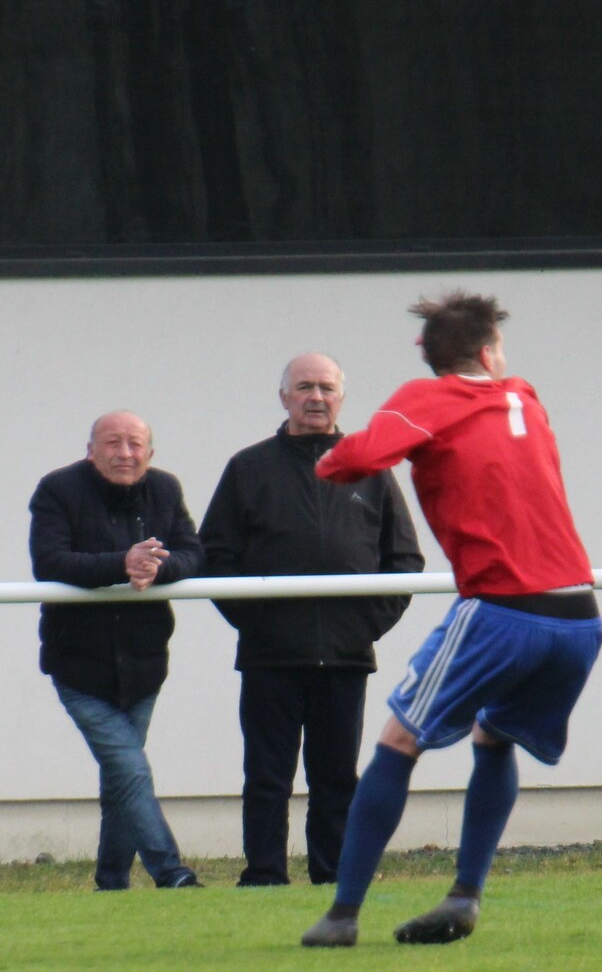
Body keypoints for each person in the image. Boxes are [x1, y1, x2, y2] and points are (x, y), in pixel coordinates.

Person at [300, 291, 602, 948]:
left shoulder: (427, 399)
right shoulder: (524, 394)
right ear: (490, 351)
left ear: (432, 356)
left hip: (503, 608)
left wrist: (337, 449)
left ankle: (342, 915)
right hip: (580, 616)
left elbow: (347, 462)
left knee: (398, 742)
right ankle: (465, 897)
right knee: (493, 737)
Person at [201, 352, 424, 887]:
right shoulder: (248, 468)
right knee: (267, 777)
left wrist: (363, 626)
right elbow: (217, 556)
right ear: (285, 397)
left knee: (335, 778)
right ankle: (264, 875)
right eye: (304, 387)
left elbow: (405, 561)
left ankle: (332, 875)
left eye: (326, 387)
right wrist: (257, 623)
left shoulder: (370, 468)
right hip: (270, 655)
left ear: (341, 398)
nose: (316, 397)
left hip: (345, 656)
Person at [29, 411, 204, 890]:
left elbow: (193, 552)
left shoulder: (165, 489)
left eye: (135, 444)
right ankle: (173, 874)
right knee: (129, 769)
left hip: (146, 665)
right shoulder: (57, 490)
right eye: (112, 442)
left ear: (150, 453)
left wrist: (157, 571)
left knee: (120, 781)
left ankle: (110, 884)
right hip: (78, 666)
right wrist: (121, 564)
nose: (124, 453)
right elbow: (50, 561)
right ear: (91, 450)